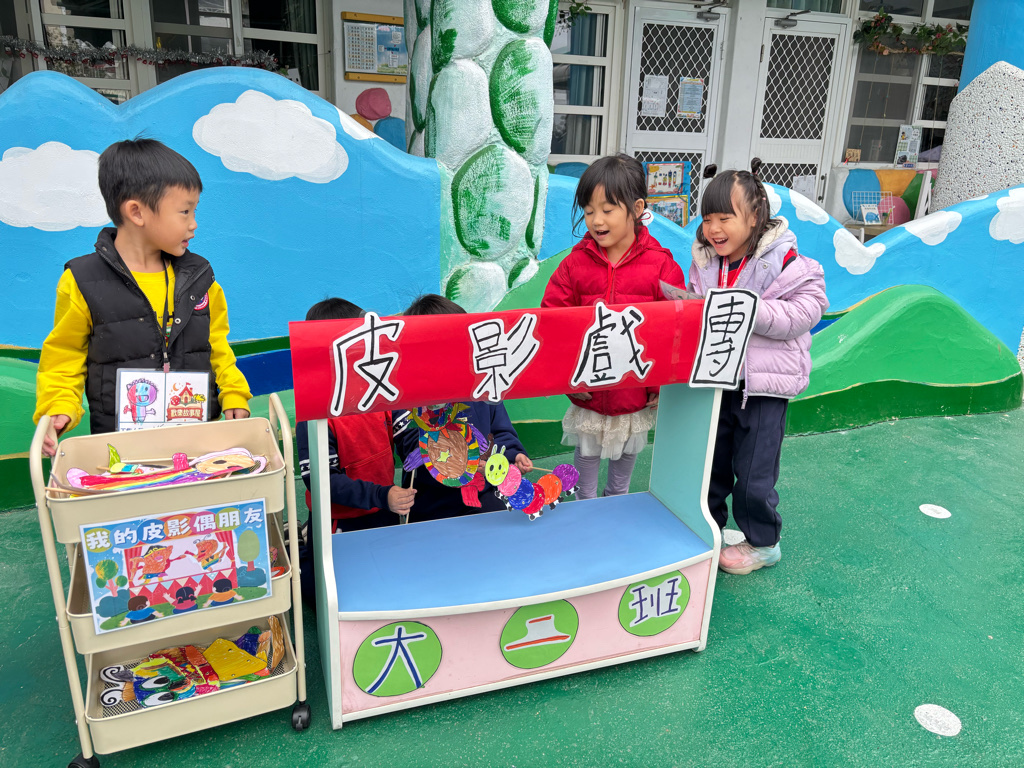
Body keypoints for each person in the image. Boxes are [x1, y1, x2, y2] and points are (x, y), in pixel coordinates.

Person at [34, 138, 251, 456]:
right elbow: (64, 357)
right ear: (136, 212)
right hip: (121, 453)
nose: (194, 224)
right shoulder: (81, 280)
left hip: (198, 448)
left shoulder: (200, 279)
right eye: (184, 211)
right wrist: (57, 408)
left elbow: (217, 347)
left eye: (194, 211)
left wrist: (234, 394)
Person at [689, 159, 828, 575]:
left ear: (754, 217)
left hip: (764, 388)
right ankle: (709, 530)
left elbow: (806, 311)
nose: (714, 229)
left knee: (753, 473)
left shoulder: (785, 259)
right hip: (718, 381)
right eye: (708, 219)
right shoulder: (705, 260)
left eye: (725, 218)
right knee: (711, 465)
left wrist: (749, 311)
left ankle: (764, 543)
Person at [541, 153, 686, 499]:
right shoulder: (574, 265)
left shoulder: (662, 266)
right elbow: (553, 323)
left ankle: (615, 506)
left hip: (634, 393)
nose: (596, 220)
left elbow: (675, 332)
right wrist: (568, 377)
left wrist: (658, 385)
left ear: (636, 209)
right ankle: (584, 510)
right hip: (587, 393)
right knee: (586, 463)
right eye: (589, 210)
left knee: (623, 468)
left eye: (607, 210)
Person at [295, 297, 415, 606]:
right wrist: (382, 495)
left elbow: (408, 437)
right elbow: (321, 482)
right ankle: (303, 543)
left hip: (383, 508)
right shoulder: (314, 411)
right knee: (321, 595)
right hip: (339, 519)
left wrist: (426, 452)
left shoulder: (381, 391)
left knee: (394, 579)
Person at [394, 294, 534, 521]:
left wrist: (513, 455)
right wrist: (465, 465)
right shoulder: (408, 397)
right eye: (450, 346)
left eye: (464, 343)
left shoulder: (482, 387)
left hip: (484, 495)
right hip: (432, 505)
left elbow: (502, 433)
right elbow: (411, 448)